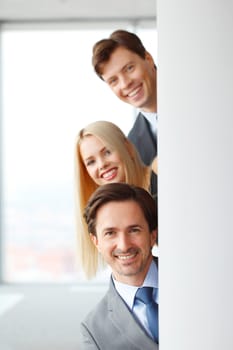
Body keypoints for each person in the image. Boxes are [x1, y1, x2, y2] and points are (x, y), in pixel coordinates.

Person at [74, 120, 156, 279]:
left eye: (107, 152)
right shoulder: (106, 211)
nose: (102, 165)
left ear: (128, 148)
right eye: (91, 162)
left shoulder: (160, 181)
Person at [81, 182, 158, 349]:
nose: (123, 245)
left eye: (134, 230)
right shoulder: (94, 331)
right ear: (96, 242)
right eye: (110, 233)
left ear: (153, 234)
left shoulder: (194, 281)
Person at [92, 29, 157, 197]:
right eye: (114, 81)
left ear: (148, 59)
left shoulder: (200, 97)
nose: (126, 84)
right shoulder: (132, 145)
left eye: (129, 68)